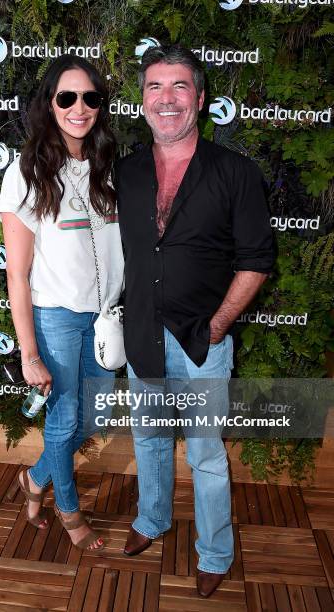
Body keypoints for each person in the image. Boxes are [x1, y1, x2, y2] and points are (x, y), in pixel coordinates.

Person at [115, 45, 275, 597]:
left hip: (202, 344)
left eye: (179, 86)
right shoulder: (126, 172)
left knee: (206, 452)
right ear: (142, 101)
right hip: (142, 339)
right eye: (155, 87)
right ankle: (152, 520)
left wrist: (218, 323)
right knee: (150, 439)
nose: (167, 99)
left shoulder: (235, 172)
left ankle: (215, 552)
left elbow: (256, 261)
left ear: (200, 99)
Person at [0, 55, 124, 551]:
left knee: (93, 418)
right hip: (57, 319)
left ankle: (33, 480)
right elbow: (17, 274)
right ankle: (69, 510)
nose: (79, 107)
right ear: (49, 104)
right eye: (66, 97)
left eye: (90, 97)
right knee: (65, 419)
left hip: (106, 318)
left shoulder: (108, 163)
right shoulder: (25, 172)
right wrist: (28, 353)